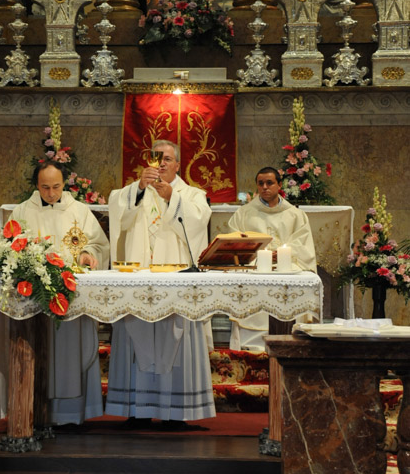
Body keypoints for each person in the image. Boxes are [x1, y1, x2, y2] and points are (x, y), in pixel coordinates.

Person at [107, 140, 215, 429]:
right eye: (157, 158)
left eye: (168, 159)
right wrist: (140, 188)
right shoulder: (135, 191)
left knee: (175, 339)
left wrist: (171, 198)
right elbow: (118, 214)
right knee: (137, 336)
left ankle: (175, 412)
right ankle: (137, 409)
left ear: (178, 164)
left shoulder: (192, 195)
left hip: (176, 285)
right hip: (139, 282)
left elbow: (197, 223)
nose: (162, 163)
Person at [9, 160, 109, 427]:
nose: (51, 193)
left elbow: (99, 244)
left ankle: (73, 415)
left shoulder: (79, 211)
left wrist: (88, 254)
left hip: (72, 296)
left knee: (71, 353)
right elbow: (9, 247)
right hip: (35, 300)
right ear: (36, 185)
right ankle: (36, 413)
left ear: (64, 184)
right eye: (45, 187)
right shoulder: (21, 212)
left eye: (56, 187)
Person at [227, 167, 317, 349]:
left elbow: (303, 244)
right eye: (260, 183)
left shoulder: (295, 214)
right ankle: (251, 348)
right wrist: (259, 254)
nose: (265, 187)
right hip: (255, 269)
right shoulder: (244, 213)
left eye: (269, 183)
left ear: (279, 185)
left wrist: (283, 253)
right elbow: (235, 242)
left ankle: (291, 346)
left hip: (287, 269)